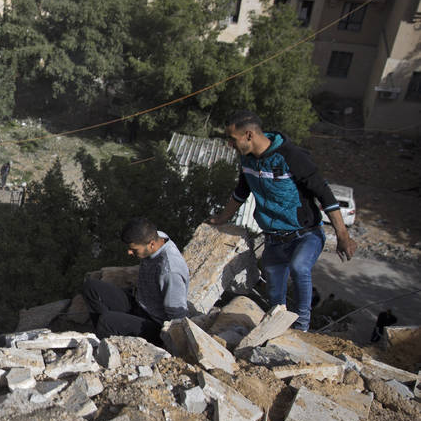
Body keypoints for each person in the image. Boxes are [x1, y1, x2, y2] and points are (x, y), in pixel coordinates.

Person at [209, 110, 357, 331]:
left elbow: (324, 194)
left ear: (248, 135)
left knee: (299, 268)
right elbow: (241, 192)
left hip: (305, 234)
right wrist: (222, 218)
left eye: (232, 138)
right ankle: (276, 329)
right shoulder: (247, 160)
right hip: (274, 240)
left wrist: (343, 235)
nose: (230, 144)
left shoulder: (291, 156)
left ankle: (302, 326)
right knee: (276, 296)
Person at [82, 218, 190, 344]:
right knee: (90, 287)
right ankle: (109, 331)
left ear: (151, 244)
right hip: (139, 303)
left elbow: (177, 314)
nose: (129, 252)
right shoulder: (156, 237)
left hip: (154, 325)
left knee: (105, 321)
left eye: (134, 250)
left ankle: (105, 343)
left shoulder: (170, 270)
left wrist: (173, 344)